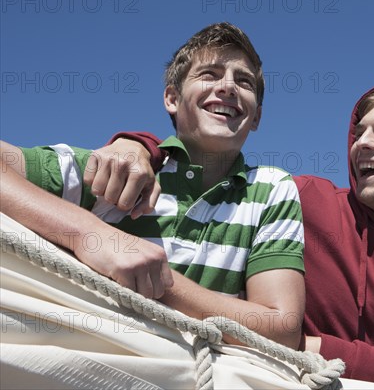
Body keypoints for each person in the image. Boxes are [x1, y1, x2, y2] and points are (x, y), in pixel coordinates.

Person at [98, 82, 374, 388]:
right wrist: (141, 146)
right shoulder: (302, 199)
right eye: (360, 132)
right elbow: (225, 174)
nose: (363, 142)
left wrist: (314, 348)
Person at [0, 22, 305, 350]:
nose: (229, 86)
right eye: (209, 74)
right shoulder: (116, 168)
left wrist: (161, 285)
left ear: (256, 117)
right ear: (172, 99)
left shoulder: (272, 188)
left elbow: (281, 327)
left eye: (243, 81)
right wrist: (91, 234)